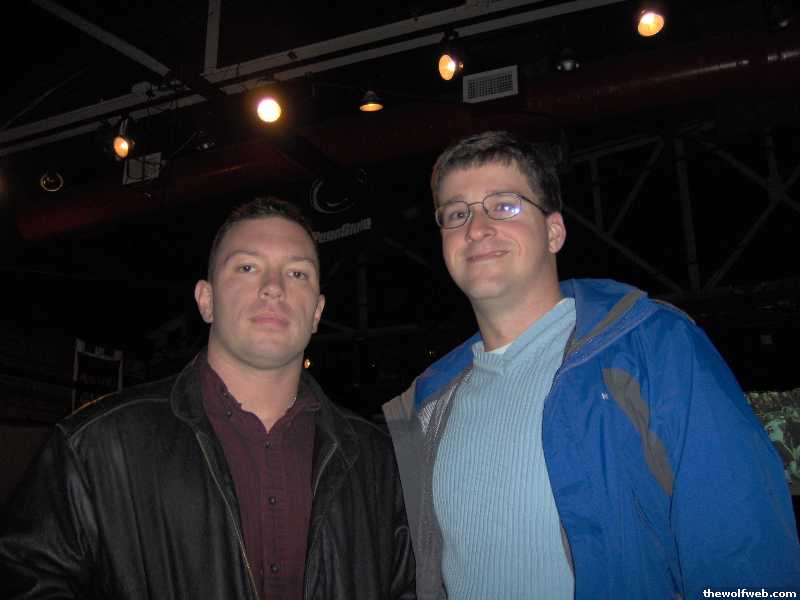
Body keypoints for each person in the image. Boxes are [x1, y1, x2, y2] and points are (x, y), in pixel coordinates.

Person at [383, 130, 800, 599]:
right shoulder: (429, 405)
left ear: (554, 232)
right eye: (457, 213)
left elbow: (746, 553)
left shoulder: (651, 347)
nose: (476, 228)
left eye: (504, 205)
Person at [0, 197, 415, 599]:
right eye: (248, 267)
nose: (273, 288)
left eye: (297, 273)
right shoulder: (97, 446)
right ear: (207, 300)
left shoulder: (378, 460)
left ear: (318, 312)